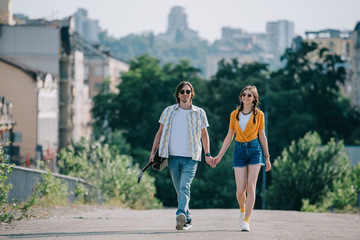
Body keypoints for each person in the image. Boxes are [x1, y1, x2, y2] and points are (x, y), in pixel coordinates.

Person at [149, 81, 215, 231]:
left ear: (192, 94)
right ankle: (187, 219)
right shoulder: (168, 111)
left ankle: (180, 214)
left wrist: (207, 154)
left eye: (188, 91)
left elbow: (204, 135)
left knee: (185, 187)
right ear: (178, 94)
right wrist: (153, 152)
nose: (185, 94)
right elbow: (159, 132)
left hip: (191, 158)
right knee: (180, 190)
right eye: (182, 91)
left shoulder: (199, 112)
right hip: (172, 157)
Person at [214, 85, 271, 232]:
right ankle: (242, 208)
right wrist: (219, 156)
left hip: (255, 150)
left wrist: (267, 157)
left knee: (251, 186)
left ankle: (246, 220)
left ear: (254, 99)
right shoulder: (234, 114)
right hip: (238, 150)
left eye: (249, 95)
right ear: (241, 97)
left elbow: (262, 136)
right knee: (240, 190)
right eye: (243, 95)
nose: (245, 97)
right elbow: (229, 136)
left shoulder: (259, 115)